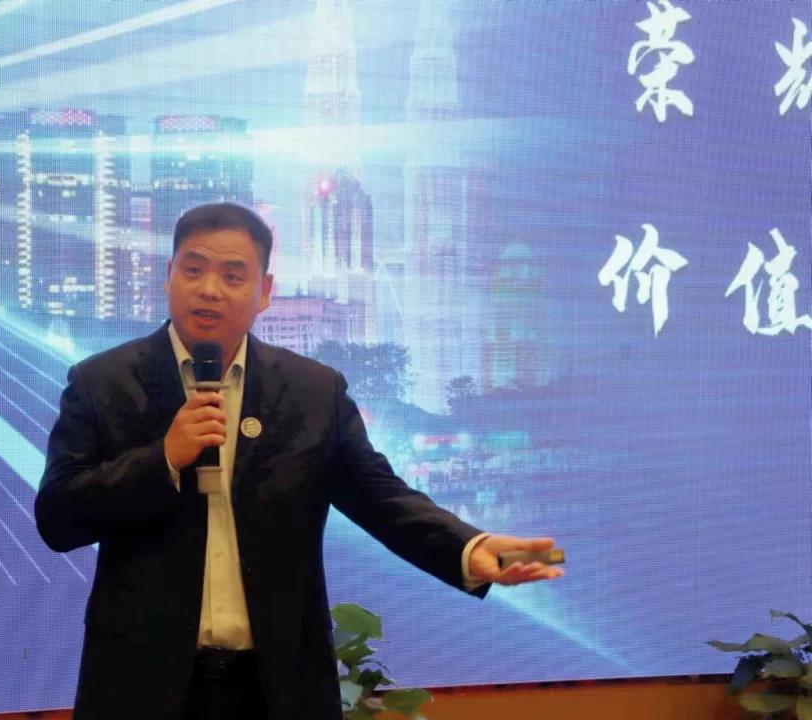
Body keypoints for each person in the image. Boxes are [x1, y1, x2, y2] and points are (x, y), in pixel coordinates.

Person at [35, 202, 563, 720]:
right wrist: (164, 459)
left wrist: (467, 548)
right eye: (193, 270)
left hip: (277, 687)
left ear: (264, 291)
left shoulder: (312, 392)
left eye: (233, 275)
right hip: (141, 686)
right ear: (168, 276)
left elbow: (382, 498)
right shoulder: (102, 382)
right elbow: (58, 517)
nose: (210, 289)